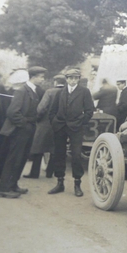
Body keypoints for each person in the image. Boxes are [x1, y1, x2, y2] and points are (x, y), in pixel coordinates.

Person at [0, 66, 47, 198]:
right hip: (19, 130)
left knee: (21, 159)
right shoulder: (22, 91)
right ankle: (4, 188)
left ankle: (13, 185)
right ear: (34, 77)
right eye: (41, 76)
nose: (43, 79)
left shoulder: (32, 90)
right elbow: (12, 112)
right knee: (13, 159)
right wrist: (24, 124)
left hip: (27, 130)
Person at [48, 68, 95, 197]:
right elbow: (52, 110)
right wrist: (54, 122)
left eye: (76, 78)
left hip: (76, 128)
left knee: (76, 155)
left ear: (79, 79)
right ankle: (59, 183)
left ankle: (77, 184)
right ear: (66, 79)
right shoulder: (60, 92)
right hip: (60, 127)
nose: (73, 80)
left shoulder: (84, 92)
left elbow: (90, 110)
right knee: (59, 154)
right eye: (71, 78)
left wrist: (81, 122)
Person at [24, 74, 66, 179]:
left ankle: (34, 173)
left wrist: (37, 118)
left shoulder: (50, 92)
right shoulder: (68, 93)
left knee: (39, 148)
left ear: (55, 82)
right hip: (60, 125)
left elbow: (41, 108)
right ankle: (49, 173)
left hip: (45, 124)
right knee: (54, 149)